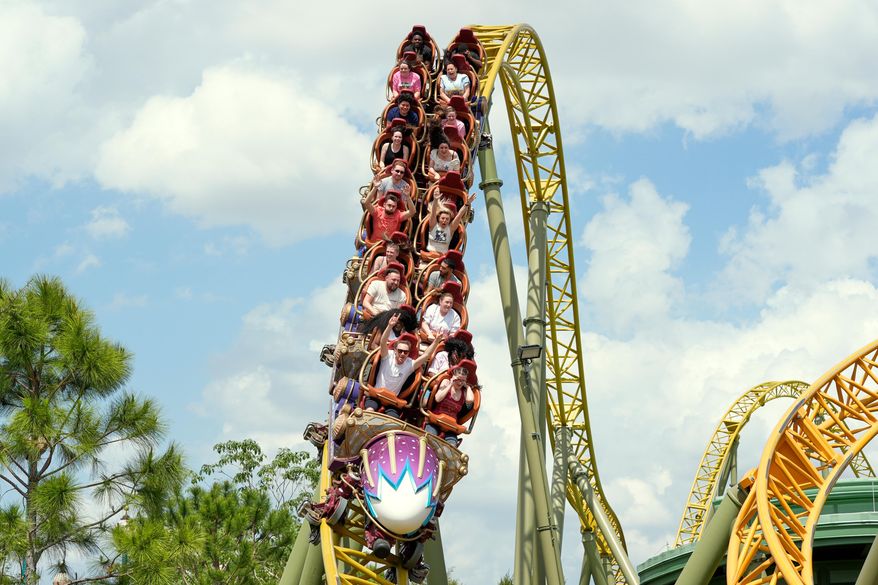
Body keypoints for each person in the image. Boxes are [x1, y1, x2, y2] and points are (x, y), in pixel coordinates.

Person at [366, 315, 443, 418]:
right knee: (370, 411)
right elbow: (383, 342)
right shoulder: (387, 356)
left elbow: (426, 356)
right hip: (376, 395)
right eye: (400, 351)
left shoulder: (409, 364)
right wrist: (389, 326)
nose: (402, 354)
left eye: (406, 352)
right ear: (395, 350)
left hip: (392, 401)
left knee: (392, 421)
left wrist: (436, 341)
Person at [425, 359, 476, 447]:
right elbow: (438, 398)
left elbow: (470, 400)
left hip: (451, 427)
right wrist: (450, 385)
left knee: (451, 447)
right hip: (436, 421)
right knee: (429, 440)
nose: (460, 383)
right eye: (458, 379)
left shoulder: (464, 391)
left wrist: (467, 387)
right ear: (453, 377)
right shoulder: (446, 382)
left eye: (463, 381)